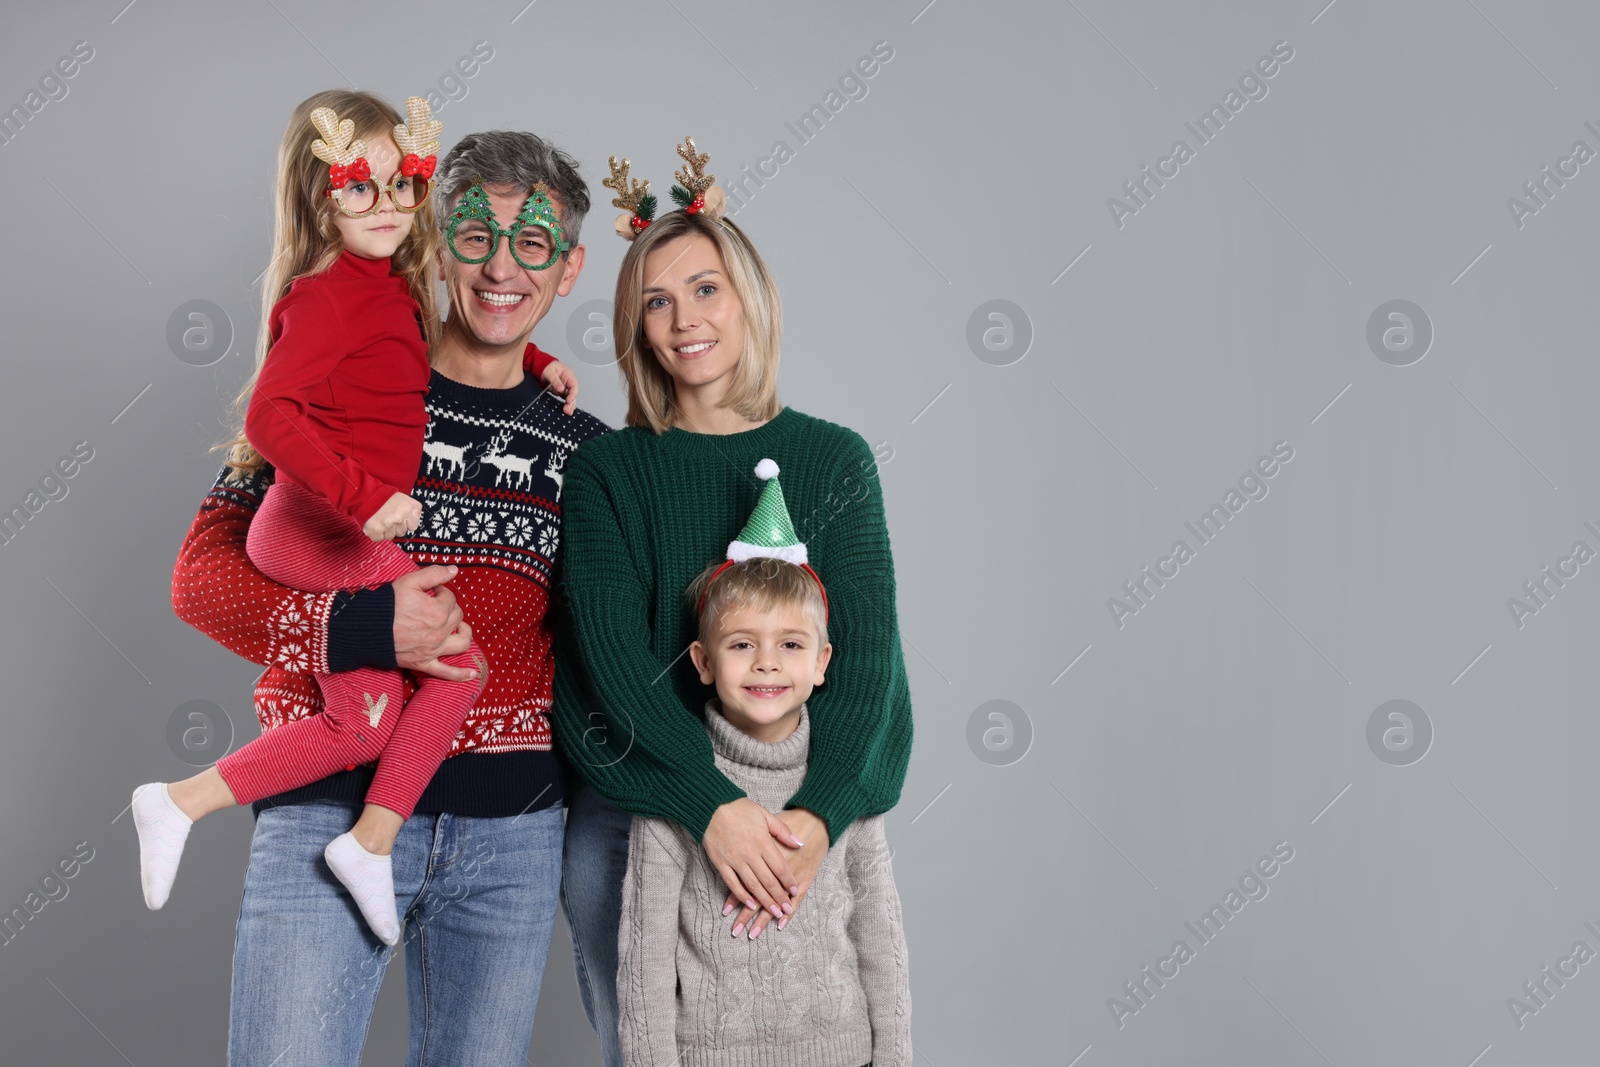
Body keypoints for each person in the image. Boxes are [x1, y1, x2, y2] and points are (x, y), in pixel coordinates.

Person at [168, 89, 607, 1066]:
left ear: (569, 267)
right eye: (475, 236)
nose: (500, 267)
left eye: (532, 244)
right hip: (331, 792)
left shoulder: (588, 450)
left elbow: (605, 643)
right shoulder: (334, 383)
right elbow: (201, 581)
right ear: (433, 239)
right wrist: (366, 630)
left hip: (512, 832)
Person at [552, 139, 914, 1067]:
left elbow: (866, 663)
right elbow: (612, 662)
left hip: (802, 819)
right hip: (640, 819)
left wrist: (821, 817)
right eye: (656, 303)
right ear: (634, 329)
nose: (684, 321)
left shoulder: (835, 460)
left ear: (749, 295)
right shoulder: (609, 469)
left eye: (704, 288)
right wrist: (706, 802)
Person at [134, 94, 501, 946]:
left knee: (451, 673)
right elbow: (269, 418)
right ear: (320, 196)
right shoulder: (328, 294)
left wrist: (546, 363)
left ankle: (360, 837)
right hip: (313, 527)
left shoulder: (391, 289)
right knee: (376, 710)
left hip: (339, 527)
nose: (387, 206)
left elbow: (424, 363)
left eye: (403, 183)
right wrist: (363, 497)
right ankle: (192, 804)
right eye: (358, 187)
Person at [617, 462, 911, 1067]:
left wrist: (896, 1058)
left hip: (842, 1053)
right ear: (702, 661)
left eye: (792, 645)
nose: (767, 663)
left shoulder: (844, 784)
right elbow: (642, 964)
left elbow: (882, 943)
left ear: (823, 661)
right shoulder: (673, 794)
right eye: (742, 644)